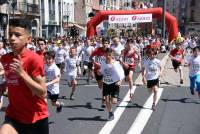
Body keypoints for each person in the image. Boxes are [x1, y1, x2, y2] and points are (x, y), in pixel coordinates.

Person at [0, 19, 49, 134]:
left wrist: (22, 73)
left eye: (17, 35)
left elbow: (43, 93)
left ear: (28, 39)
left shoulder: (34, 59)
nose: (12, 38)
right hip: (14, 115)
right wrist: (4, 85)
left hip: (36, 118)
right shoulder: (5, 58)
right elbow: (11, 79)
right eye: (10, 34)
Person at [97, 48, 124, 120]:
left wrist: (120, 82)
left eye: (110, 55)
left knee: (114, 101)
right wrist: (99, 72)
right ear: (105, 54)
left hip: (114, 83)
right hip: (106, 82)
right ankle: (110, 113)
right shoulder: (103, 63)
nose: (108, 56)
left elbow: (122, 73)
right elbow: (102, 72)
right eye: (107, 54)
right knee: (106, 99)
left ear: (112, 55)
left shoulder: (116, 63)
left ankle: (111, 107)